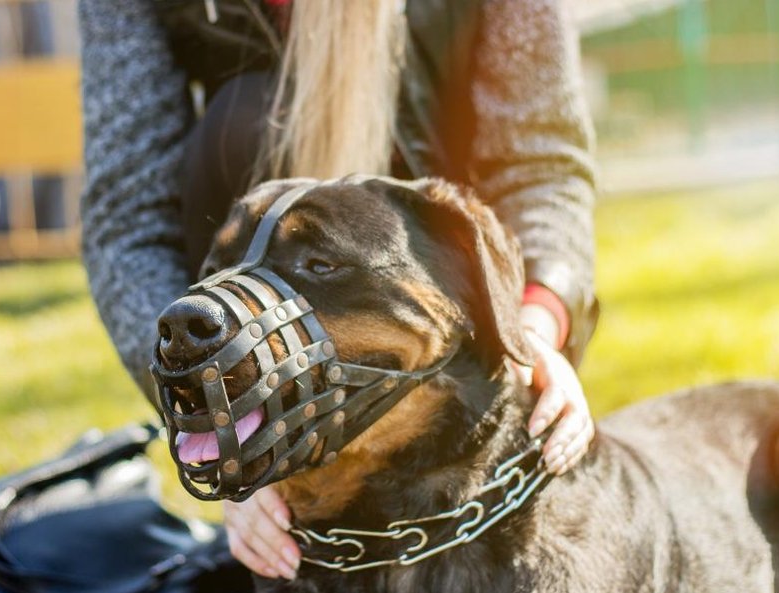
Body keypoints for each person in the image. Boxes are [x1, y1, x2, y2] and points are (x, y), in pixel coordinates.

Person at [78, 0, 599, 582]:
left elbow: (541, 167)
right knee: (245, 116)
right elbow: (128, 225)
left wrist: (534, 322)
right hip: (247, 285)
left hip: (442, 268)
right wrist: (228, 425)